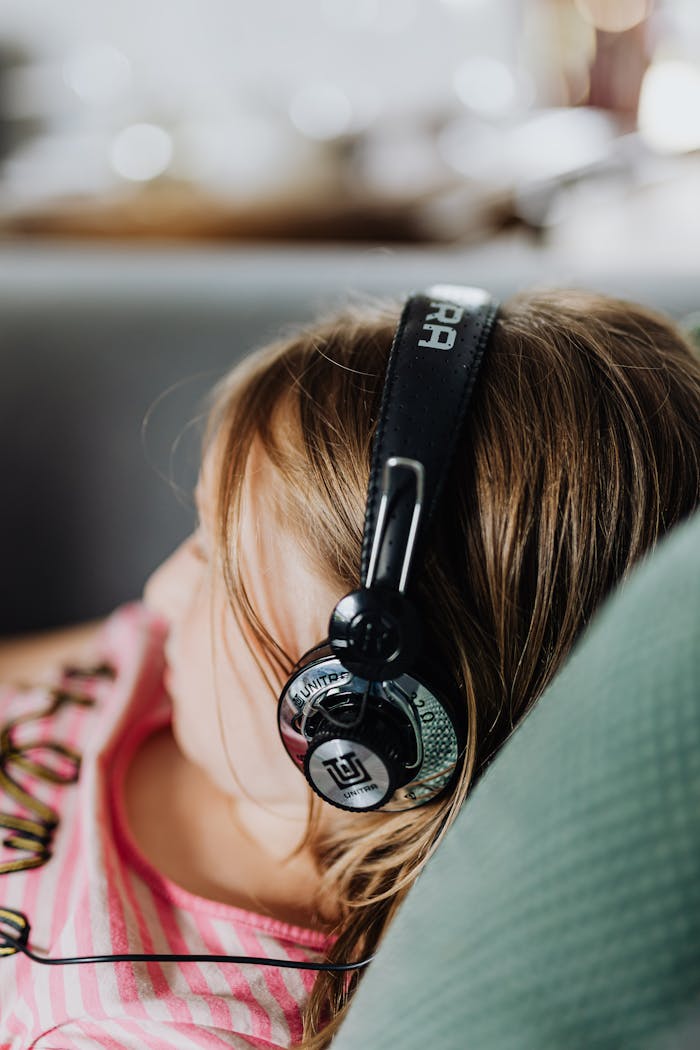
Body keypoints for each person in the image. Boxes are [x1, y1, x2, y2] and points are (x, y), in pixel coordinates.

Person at [0, 287, 698, 1049]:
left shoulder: (177, 1022)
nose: (159, 589)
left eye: (213, 563)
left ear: (365, 700)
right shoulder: (166, 666)